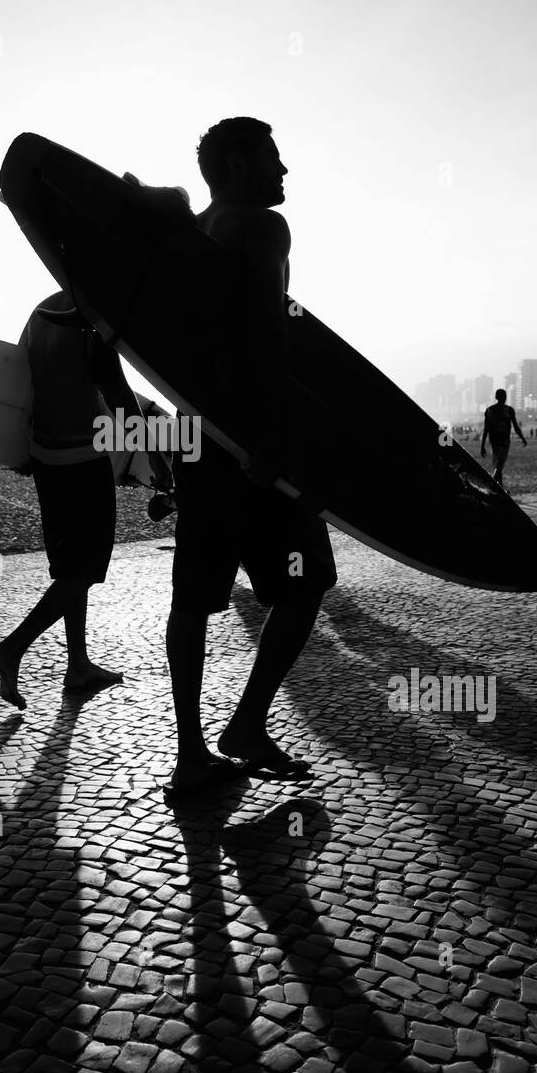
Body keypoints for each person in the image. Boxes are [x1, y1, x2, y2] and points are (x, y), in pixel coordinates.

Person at [164, 117, 337, 799]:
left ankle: (189, 754)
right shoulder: (261, 228)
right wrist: (284, 434)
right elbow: (266, 338)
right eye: (271, 156)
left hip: (196, 441)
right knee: (307, 582)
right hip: (254, 448)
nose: (283, 169)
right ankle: (246, 725)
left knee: (193, 600)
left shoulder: (194, 230)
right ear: (238, 164)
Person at [0, 289, 169, 708]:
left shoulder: (40, 313)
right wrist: (155, 458)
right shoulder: (93, 318)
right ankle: (12, 648)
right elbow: (120, 397)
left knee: (71, 568)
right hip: (83, 460)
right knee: (83, 571)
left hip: (45, 458)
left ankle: (78, 664)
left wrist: (18, 450)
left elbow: (19, 383)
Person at [481, 389, 526, 487]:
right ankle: (493, 484)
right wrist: (522, 438)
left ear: (496, 397)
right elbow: (515, 426)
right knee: (499, 465)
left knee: (498, 464)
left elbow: (486, 429)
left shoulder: (489, 410)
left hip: (494, 441)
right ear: (505, 397)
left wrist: (482, 446)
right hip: (504, 441)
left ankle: (499, 486)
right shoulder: (509, 410)